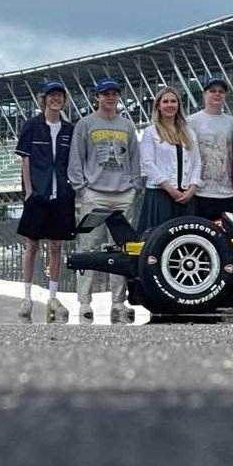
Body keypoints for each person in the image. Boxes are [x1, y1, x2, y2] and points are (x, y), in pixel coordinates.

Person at [67, 76, 143, 323]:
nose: (110, 97)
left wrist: (133, 185)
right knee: (88, 247)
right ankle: (85, 302)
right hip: (95, 193)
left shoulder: (127, 126)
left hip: (123, 194)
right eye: (106, 93)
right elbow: (76, 158)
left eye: (114, 93)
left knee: (121, 249)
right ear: (97, 97)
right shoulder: (86, 124)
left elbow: (134, 158)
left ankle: (118, 302)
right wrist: (82, 187)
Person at [15, 78, 74, 324]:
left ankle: (52, 295)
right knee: (32, 244)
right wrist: (29, 191)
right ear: (44, 99)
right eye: (52, 95)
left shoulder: (69, 130)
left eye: (60, 95)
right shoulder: (31, 126)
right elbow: (25, 160)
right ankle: (27, 295)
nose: (56, 99)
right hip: (37, 194)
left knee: (57, 245)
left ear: (64, 100)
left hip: (61, 193)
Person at [138, 87, 202, 231]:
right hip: (161, 195)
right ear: (158, 106)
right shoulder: (150, 132)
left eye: (173, 101)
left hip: (186, 196)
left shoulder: (189, 132)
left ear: (178, 105)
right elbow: (148, 163)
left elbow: (196, 162)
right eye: (165, 101)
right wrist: (171, 190)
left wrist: (192, 188)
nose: (170, 105)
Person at [188, 76, 233, 221]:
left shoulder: (231, 122)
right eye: (213, 91)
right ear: (204, 94)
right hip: (199, 194)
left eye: (221, 91)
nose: (217, 94)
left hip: (226, 193)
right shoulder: (192, 121)